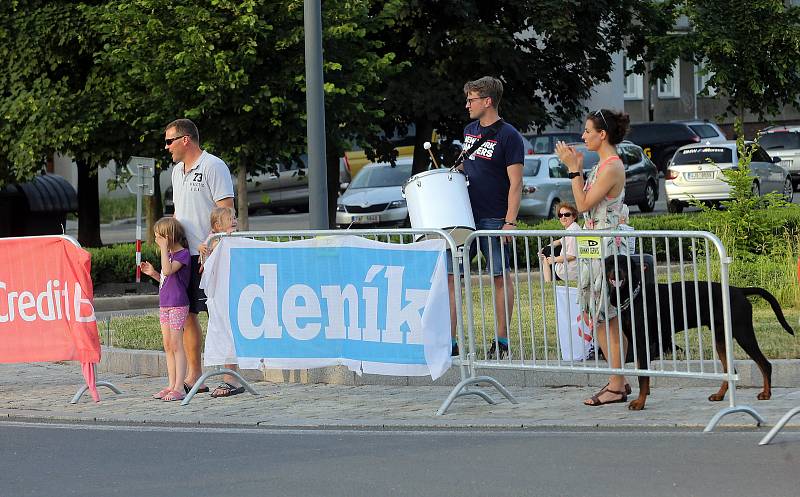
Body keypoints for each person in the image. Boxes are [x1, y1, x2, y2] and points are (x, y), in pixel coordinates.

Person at [555, 108, 631, 406]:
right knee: (599, 316)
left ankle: (616, 383)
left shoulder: (611, 166)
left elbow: (583, 205)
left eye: (587, 131)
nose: (583, 136)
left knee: (606, 317)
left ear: (603, 134)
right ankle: (618, 380)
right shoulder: (603, 165)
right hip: (594, 248)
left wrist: (574, 169)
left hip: (605, 251)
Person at [448, 76, 524, 359]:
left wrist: (510, 221)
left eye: (472, 99)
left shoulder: (509, 135)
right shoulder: (469, 130)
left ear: (488, 101)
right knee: (451, 277)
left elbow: (515, 184)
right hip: (465, 217)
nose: (467, 104)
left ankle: (502, 340)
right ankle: (451, 341)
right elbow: (465, 166)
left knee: (500, 277)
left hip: (494, 217)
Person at [166, 118, 235, 393]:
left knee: (219, 315)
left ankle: (231, 377)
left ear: (185, 140)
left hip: (211, 254)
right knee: (189, 315)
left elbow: (226, 211)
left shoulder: (213, 166)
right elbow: (179, 212)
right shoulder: (176, 171)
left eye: (170, 141)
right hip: (186, 255)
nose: (167, 147)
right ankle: (195, 375)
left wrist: (214, 247)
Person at [140, 217, 192, 402]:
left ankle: (180, 386)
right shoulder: (168, 256)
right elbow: (165, 278)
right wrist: (153, 273)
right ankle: (171, 384)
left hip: (178, 304)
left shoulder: (182, 254)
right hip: (165, 304)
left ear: (169, 236)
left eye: (159, 237)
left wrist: (163, 249)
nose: (156, 240)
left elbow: (169, 271)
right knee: (168, 344)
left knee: (177, 345)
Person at [199, 206, 246, 398]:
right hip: (218, 295)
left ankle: (231, 377)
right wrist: (203, 249)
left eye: (235, 217)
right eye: (230, 219)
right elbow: (205, 263)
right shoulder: (213, 239)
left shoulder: (232, 238)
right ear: (218, 225)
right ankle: (228, 375)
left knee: (230, 332)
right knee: (221, 332)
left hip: (232, 292)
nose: (234, 221)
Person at [539, 202, 581, 282]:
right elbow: (559, 241)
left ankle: (548, 282)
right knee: (548, 250)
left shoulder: (572, 232)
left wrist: (554, 259)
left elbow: (572, 256)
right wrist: (544, 248)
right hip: (572, 267)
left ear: (574, 216)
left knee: (546, 253)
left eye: (567, 215)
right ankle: (548, 281)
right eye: (560, 215)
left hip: (570, 271)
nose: (563, 217)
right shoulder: (573, 228)